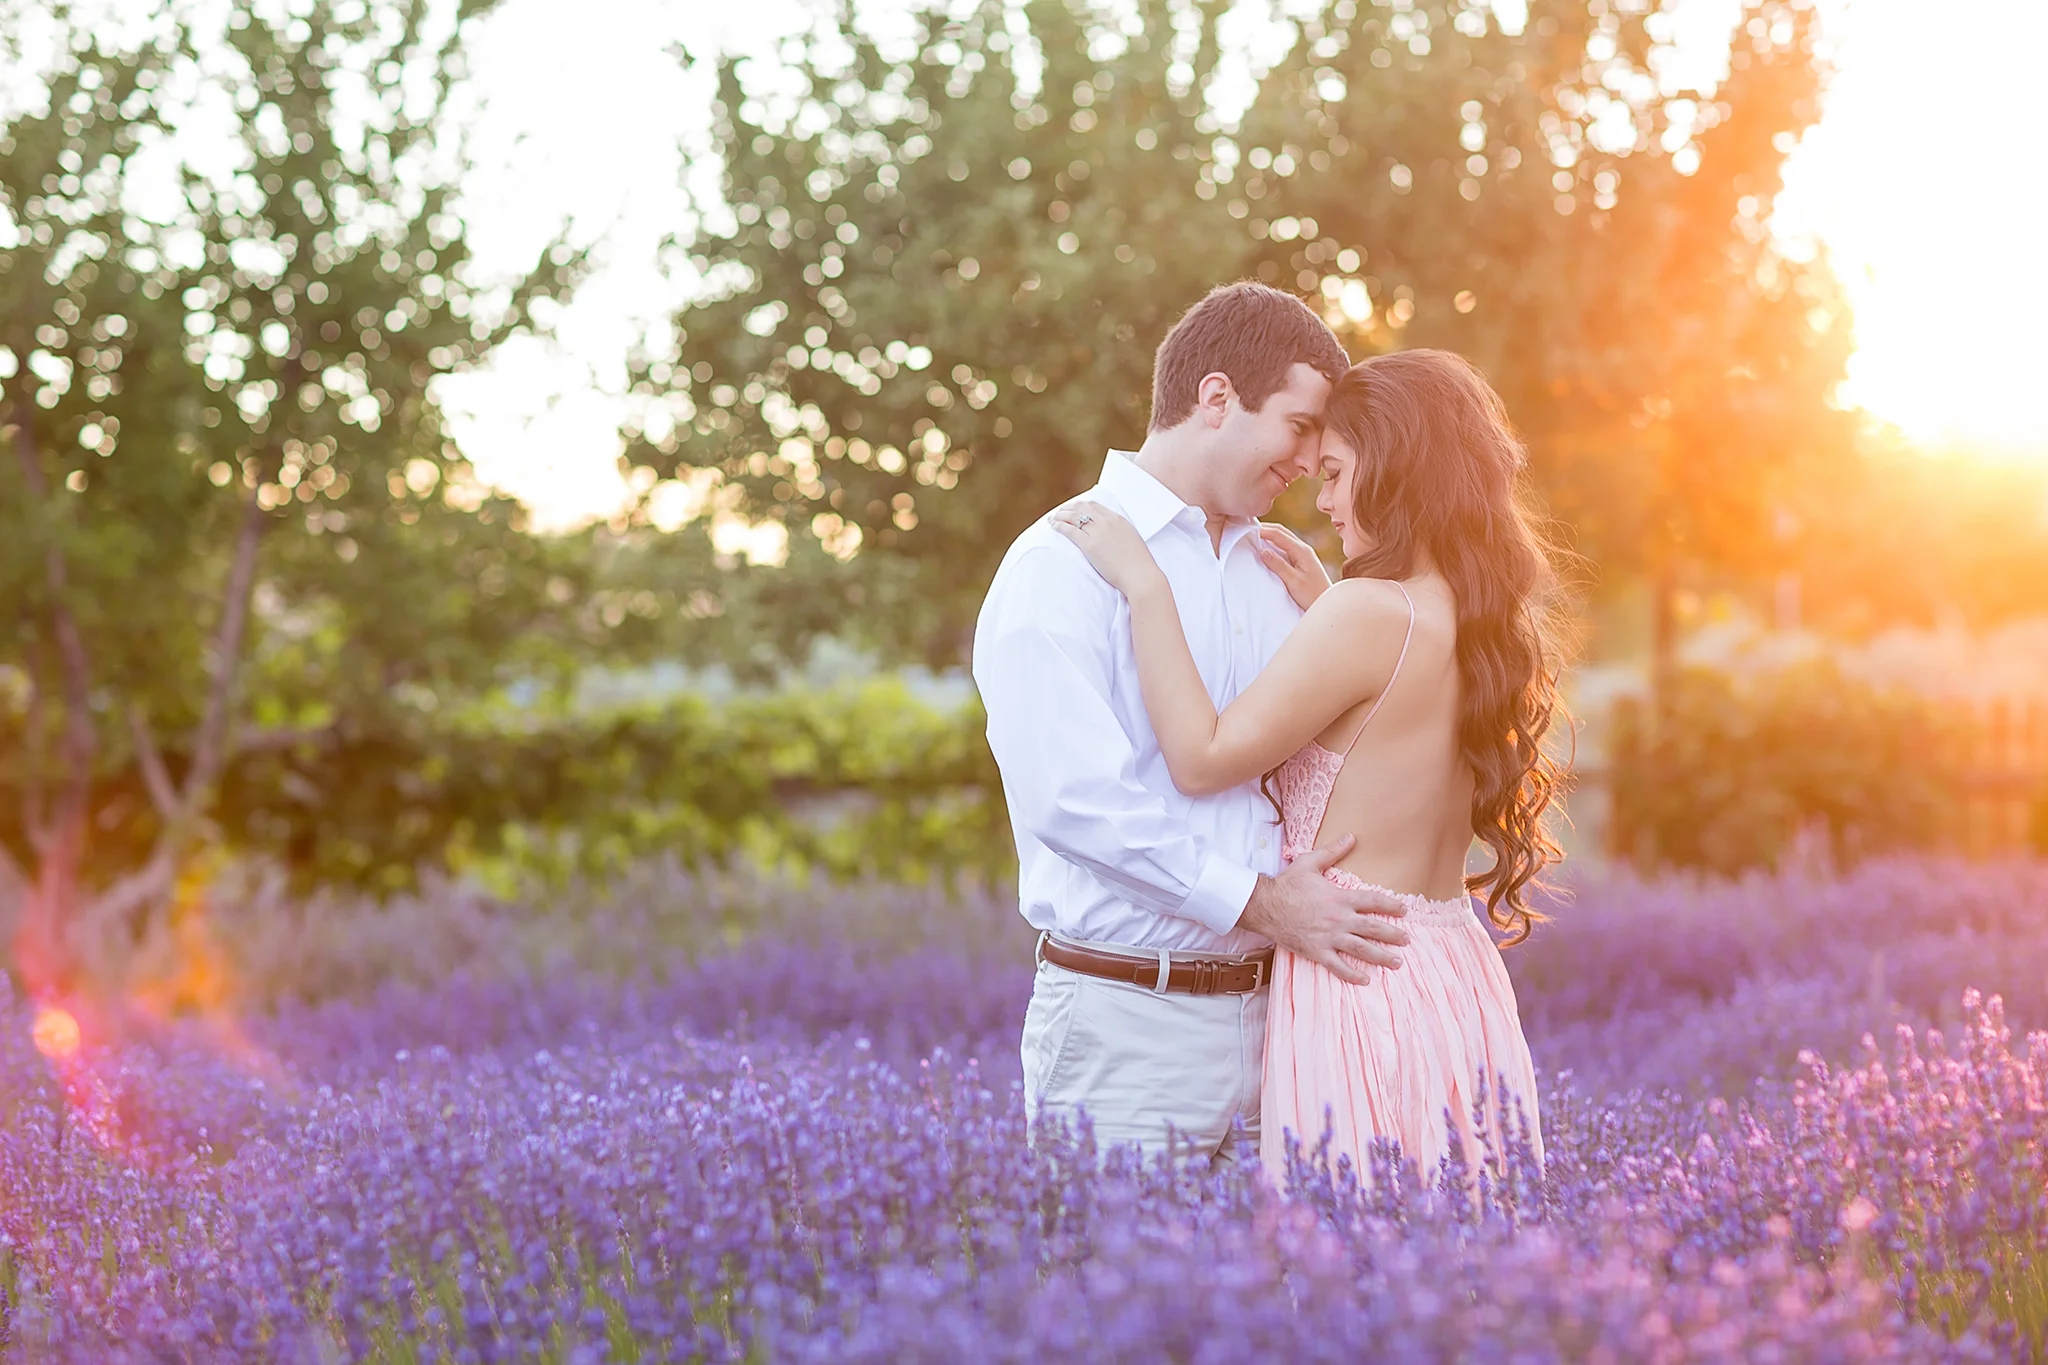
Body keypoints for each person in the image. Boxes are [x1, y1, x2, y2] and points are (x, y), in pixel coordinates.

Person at [1050, 347, 1565, 1183]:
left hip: (1358, 978)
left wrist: (1146, 585)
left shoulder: (1366, 614)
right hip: (1456, 976)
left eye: (1334, 473)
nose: (1321, 500)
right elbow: (1387, 726)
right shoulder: (1475, 623)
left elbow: (1202, 757)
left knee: (1350, 1242)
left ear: (1395, 469)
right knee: (1451, 1241)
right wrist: (1328, 605)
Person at [972, 282, 1413, 1162]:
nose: (1310, 459)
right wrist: (1263, 904)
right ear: (1216, 397)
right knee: (1113, 1258)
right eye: (1298, 425)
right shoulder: (1059, 563)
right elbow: (1075, 802)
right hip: (1127, 1028)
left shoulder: (1282, 574)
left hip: (1292, 1024)